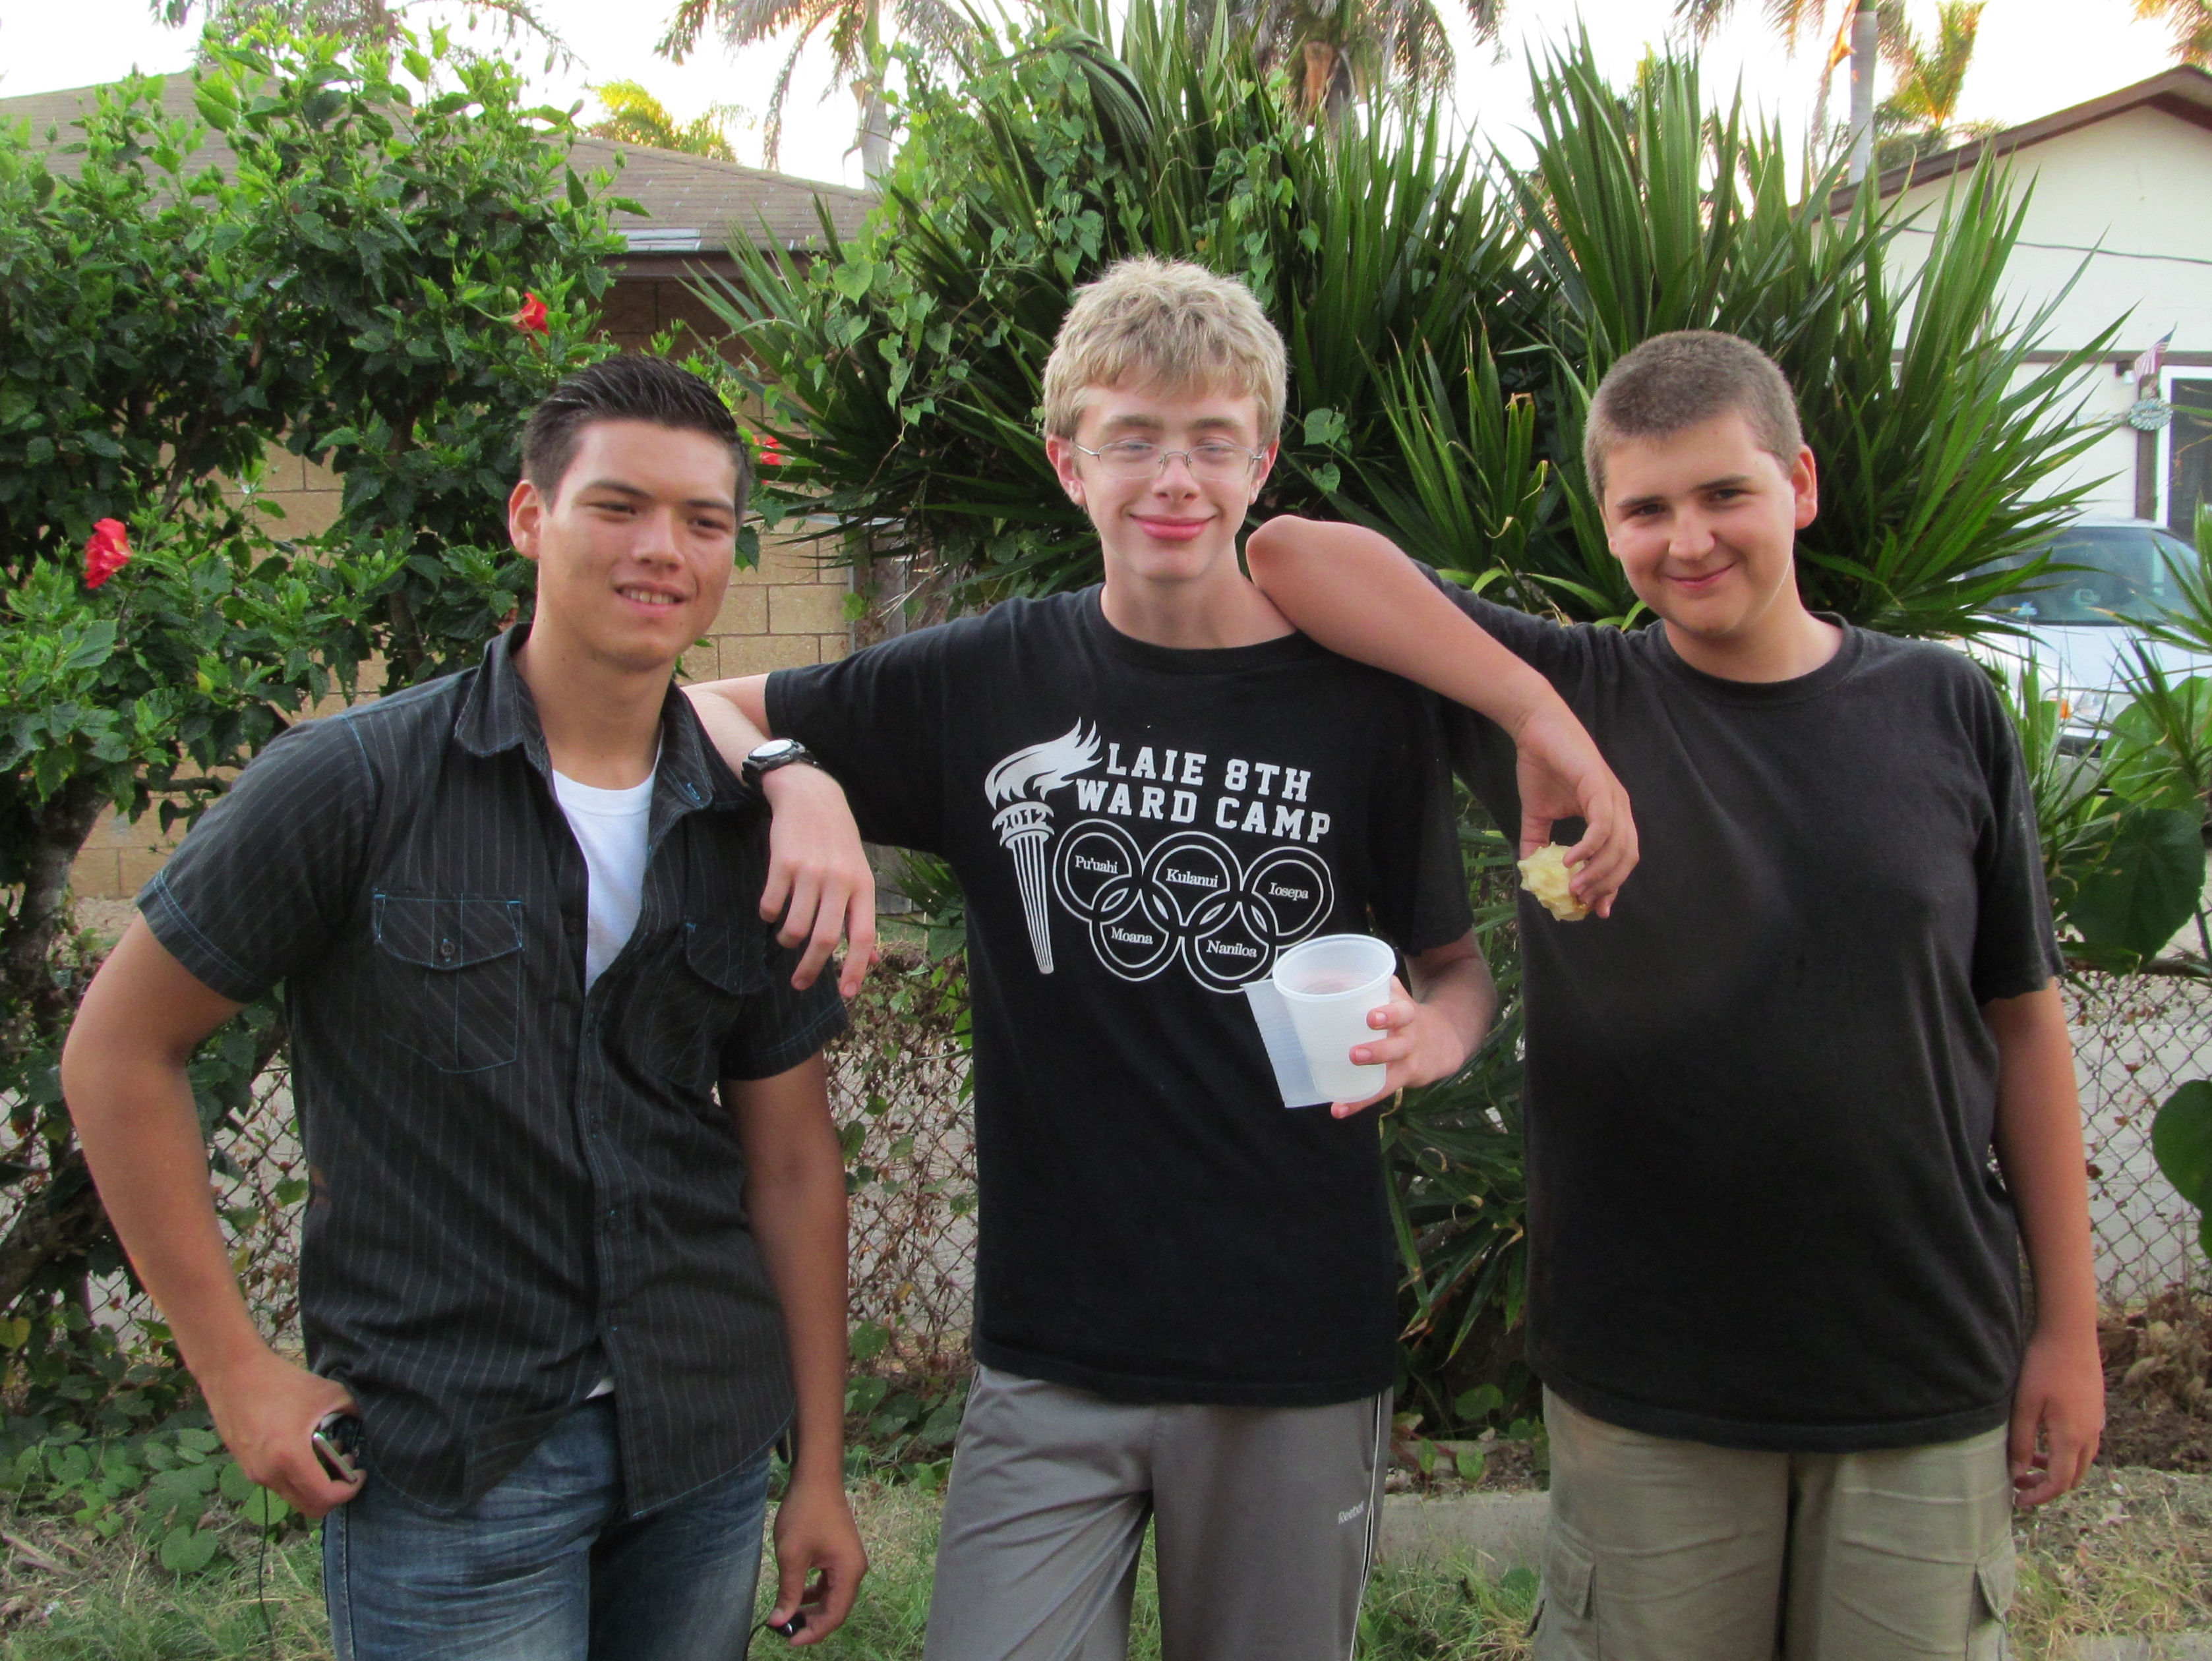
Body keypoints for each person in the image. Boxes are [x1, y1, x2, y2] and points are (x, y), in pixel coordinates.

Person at [683, 256, 1636, 1661]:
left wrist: (1434, 1036)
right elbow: (696, 706)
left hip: (1293, 1347)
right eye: (1132, 440)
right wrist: (798, 777)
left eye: (1210, 441)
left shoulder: (1361, 703)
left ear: (1260, 461)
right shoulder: (983, 679)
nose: (1174, 479)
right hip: (1050, 1351)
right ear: (1068, 463)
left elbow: (1456, 969)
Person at [1243, 328, 2107, 1660]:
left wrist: (2069, 1329)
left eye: (1724, 494)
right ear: (1606, 525)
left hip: (1920, 1357)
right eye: (1645, 509)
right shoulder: (1574, 697)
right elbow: (1289, 555)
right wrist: (1537, 716)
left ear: (1799, 487)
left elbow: (2024, 1027)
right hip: (1648, 1378)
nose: (1687, 540)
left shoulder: (1943, 707)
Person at [64, 356, 872, 1660]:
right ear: (529, 517)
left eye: (704, 521)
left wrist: (818, 1465)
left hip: (700, 1445)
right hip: (455, 1460)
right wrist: (233, 1369)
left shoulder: (747, 828)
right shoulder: (354, 784)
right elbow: (118, 1052)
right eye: (618, 507)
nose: (662, 550)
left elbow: (790, 1163)